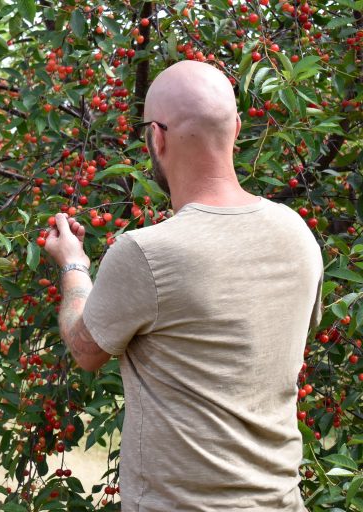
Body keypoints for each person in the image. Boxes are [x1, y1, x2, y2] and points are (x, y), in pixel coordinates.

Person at [43, 60, 323, 511]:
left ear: (157, 136)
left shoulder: (146, 253)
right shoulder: (297, 235)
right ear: (235, 128)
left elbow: (84, 349)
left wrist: (74, 266)